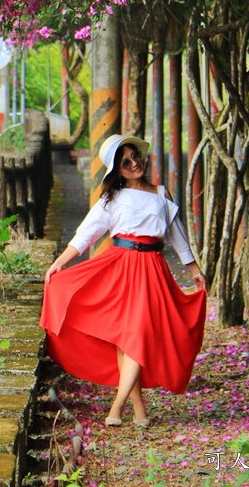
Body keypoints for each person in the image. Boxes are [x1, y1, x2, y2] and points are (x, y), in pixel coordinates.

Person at [40, 133, 207, 428]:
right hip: (121, 266)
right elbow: (85, 235)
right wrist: (58, 263)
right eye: (125, 161)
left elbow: (176, 235)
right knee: (127, 337)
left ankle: (120, 405)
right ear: (116, 170)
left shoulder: (161, 194)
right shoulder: (112, 199)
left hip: (152, 268)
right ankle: (134, 410)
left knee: (134, 335)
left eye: (135, 157)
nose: (134, 163)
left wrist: (194, 270)